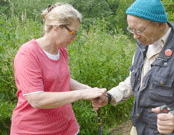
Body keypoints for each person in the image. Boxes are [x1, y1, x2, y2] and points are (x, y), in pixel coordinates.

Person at [92, 0, 174, 135]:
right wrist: (110, 96)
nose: (134, 36)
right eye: (131, 30)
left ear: (159, 24)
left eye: (139, 30)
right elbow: (136, 79)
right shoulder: (143, 41)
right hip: (140, 127)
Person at [10, 3, 106, 135]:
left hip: (68, 129)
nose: (74, 38)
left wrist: (87, 90)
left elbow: (61, 78)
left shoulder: (62, 51)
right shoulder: (28, 54)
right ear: (56, 27)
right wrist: (81, 94)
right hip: (33, 130)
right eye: (72, 32)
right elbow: (36, 99)